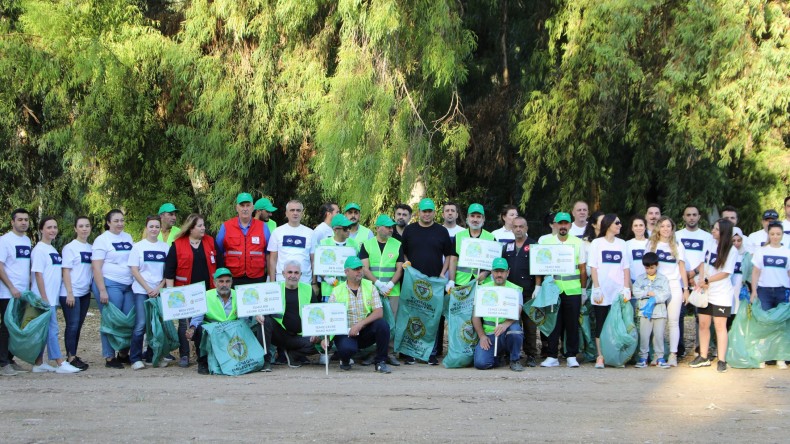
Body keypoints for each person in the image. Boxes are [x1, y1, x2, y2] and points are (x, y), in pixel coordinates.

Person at [400, 198, 457, 364]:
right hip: (413, 282)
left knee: (433, 317)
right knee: (413, 315)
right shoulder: (410, 230)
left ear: (434, 212)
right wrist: (407, 266)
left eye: (429, 211)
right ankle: (411, 352)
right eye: (424, 211)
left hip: (434, 282)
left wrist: (442, 274)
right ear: (419, 212)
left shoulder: (441, 231)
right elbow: (403, 252)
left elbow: (449, 255)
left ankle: (431, 353)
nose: (426, 214)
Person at [164, 213, 222, 368]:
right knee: (185, 323)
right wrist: (170, 293)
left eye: (204, 225)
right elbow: (169, 270)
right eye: (200, 225)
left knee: (203, 322)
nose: (204, 228)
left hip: (207, 290)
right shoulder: (178, 244)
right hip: (184, 292)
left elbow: (220, 264)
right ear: (191, 228)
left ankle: (202, 353)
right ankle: (184, 354)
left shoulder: (210, 241)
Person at [185, 268, 268, 374]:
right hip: (213, 330)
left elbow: (245, 320)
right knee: (199, 330)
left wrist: (254, 315)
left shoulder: (240, 295)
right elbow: (197, 319)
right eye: (221, 281)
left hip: (233, 330)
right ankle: (203, 362)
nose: (224, 284)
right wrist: (192, 329)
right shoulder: (205, 296)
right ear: (215, 282)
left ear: (231, 282)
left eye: (227, 281)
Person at [323, 256, 392, 373]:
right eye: (355, 269)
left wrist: (360, 325)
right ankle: (345, 359)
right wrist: (325, 338)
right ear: (346, 272)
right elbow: (330, 317)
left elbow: (379, 312)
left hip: (364, 331)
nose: (359, 271)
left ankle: (380, 362)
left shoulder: (370, 286)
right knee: (347, 349)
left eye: (360, 268)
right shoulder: (337, 291)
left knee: (382, 325)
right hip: (346, 332)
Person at [30, 217, 80, 374]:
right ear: (41, 230)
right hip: (43, 298)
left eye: (55, 227)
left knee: (45, 331)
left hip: (52, 297)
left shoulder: (51, 249)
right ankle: (59, 362)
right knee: (53, 329)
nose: (53, 230)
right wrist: (44, 297)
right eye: (49, 227)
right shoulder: (39, 250)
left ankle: (38, 363)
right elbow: (38, 274)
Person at [537, 212, 587, 368]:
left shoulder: (578, 243)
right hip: (554, 290)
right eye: (560, 223)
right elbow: (540, 265)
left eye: (566, 223)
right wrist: (538, 286)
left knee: (572, 324)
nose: (563, 226)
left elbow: (583, 269)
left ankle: (571, 355)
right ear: (555, 225)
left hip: (573, 290)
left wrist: (584, 290)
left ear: (570, 225)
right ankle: (552, 356)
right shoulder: (547, 242)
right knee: (553, 324)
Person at [689, 219, 737, 373]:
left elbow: (725, 273)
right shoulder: (709, 243)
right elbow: (703, 262)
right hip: (706, 290)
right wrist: (702, 280)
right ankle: (703, 356)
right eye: (713, 228)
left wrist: (708, 280)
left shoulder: (732, 250)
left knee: (720, 326)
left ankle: (722, 359)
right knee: (703, 324)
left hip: (721, 293)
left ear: (723, 232)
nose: (713, 231)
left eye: (716, 229)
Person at [92, 209, 135, 369]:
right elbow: (96, 267)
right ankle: (109, 357)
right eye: (116, 221)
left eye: (122, 220)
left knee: (128, 320)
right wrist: (102, 290)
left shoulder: (128, 237)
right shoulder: (101, 240)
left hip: (128, 285)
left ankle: (123, 353)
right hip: (110, 284)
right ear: (108, 222)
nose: (120, 224)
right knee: (111, 321)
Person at [588, 214, 631, 368]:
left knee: (618, 323)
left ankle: (616, 354)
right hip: (602, 291)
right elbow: (593, 267)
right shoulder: (597, 243)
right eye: (617, 223)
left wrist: (626, 288)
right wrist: (597, 287)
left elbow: (626, 267)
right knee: (601, 323)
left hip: (618, 291)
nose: (620, 225)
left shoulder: (622, 244)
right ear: (608, 225)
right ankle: (601, 355)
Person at [360, 215, 404, 366]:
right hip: (372, 289)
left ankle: (389, 353)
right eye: (387, 227)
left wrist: (390, 284)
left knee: (392, 323)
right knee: (375, 322)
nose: (391, 229)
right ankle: (375, 353)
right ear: (378, 228)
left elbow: (400, 268)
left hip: (393, 291)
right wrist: (378, 283)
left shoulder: (397, 244)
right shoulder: (367, 245)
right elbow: (364, 268)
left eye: (392, 227)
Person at [646, 216, 689, 367]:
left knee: (673, 321)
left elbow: (682, 267)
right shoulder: (652, 244)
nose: (665, 229)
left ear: (672, 229)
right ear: (658, 228)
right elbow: (646, 266)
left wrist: (686, 289)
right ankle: (657, 355)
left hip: (674, 285)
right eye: (663, 226)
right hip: (657, 286)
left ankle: (673, 354)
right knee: (657, 321)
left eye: (668, 226)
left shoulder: (677, 245)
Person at [128, 216, 168, 370]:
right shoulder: (138, 247)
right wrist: (147, 288)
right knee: (141, 324)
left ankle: (153, 355)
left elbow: (168, 271)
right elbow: (134, 269)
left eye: (157, 226)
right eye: (151, 226)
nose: (154, 229)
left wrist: (159, 287)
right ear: (146, 228)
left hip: (159, 291)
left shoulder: (165, 247)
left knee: (156, 325)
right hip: (141, 291)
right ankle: (135, 358)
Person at [472, 258, 525, 372]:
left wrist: (505, 324)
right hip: (490, 335)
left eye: (502, 271)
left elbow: (518, 311)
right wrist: (482, 336)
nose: (499, 274)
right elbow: (475, 316)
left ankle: (514, 359)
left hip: (506, 333)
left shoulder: (515, 289)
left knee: (515, 330)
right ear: (491, 272)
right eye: (496, 271)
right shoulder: (483, 289)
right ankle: (499, 358)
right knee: (481, 363)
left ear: (508, 272)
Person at [750, 222, 790, 369]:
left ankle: (780, 357)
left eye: (778, 234)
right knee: (764, 323)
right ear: (769, 234)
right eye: (772, 234)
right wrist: (754, 291)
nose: (775, 237)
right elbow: (755, 272)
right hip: (764, 291)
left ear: (782, 235)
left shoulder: (787, 252)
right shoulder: (761, 251)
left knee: (781, 324)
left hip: (782, 291)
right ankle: (762, 356)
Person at [676, 205, 713, 358]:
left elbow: (708, 259)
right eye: (688, 215)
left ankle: (701, 349)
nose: (691, 217)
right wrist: (685, 275)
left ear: (699, 217)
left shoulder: (707, 237)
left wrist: (694, 273)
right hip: (680, 280)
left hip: (700, 280)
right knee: (679, 314)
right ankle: (679, 348)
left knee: (701, 315)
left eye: (694, 215)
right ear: (684, 217)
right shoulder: (676, 235)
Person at [502, 216, 539, 367]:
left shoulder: (534, 245)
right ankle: (511, 354)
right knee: (512, 325)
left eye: (521, 226)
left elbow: (538, 267)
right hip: (512, 294)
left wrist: (538, 286)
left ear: (526, 228)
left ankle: (531, 355)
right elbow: (503, 269)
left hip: (529, 292)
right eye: (515, 226)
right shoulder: (507, 247)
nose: (518, 229)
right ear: (511, 228)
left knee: (530, 326)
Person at [0, 208, 32, 376]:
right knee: (6, 326)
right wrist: (11, 287)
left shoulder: (27, 241)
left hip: (23, 292)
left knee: (17, 327)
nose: (23, 222)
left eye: (26, 219)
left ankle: (9, 359)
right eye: (20, 219)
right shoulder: (4, 241)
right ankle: (2, 363)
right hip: (7, 292)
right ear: (12, 222)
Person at [270, 261, 320, 367]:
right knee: (264, 321)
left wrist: (315, 333)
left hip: (299, 336)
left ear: (300, 275)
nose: (293, 276)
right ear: (283, 274)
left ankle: (292, 355)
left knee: (319, 342)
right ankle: (265, 360)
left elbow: (316, 313)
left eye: (296, 273)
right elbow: (264, 309)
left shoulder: (308, 289)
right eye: (290, 272)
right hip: (280, 335)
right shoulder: (274, 289)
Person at [59, 216, 93, 371]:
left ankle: (73, 354)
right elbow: (65, 271)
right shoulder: (70, 247)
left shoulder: (91, 248)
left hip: (85, 293)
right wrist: (70, 293)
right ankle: (70, 357)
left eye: (87, 226)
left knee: (78, 326)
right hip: (71, 293)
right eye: (81, 226)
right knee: (72, 325)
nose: (84, 229)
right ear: (75, 229)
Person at [216, 193, 268, 286]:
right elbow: (218, 251)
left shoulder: (263, 227)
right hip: (232, 278)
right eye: (242, 205)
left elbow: (269, 252)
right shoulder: (226, 226)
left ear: (253, 208)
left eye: (248, 205)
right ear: (237, 208)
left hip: (257, 277)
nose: (245, 209)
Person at [632, 252, 671, 368]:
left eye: (652, 268)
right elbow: (636, 291)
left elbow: (666, 293)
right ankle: (643, 357)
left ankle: (660, 357)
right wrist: (648, 293)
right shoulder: (640, 279)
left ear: (657, 265)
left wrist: (655, 298)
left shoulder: (663, 279)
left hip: (659, 312)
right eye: (647, 268)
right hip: (645, 312)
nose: (649, 270)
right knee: (644, 335)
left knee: (658, 335)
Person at [268, 200, 315, 285]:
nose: (295, 213)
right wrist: (272, 282)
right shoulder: (277, 232)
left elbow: (313, 260)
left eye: (298, 210)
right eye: (292, 210)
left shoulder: (311, 233)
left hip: (304, 281)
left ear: (302, 213)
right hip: (282, 281)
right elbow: (272, 259)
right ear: (286, 213)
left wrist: (314, 283)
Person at [316, 214, 359, 302]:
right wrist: (326, 278)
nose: (348, 230)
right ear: (335, 230)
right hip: (329, 290)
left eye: (349, 227)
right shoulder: (324, 243)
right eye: (345, 228)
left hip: (348, 290)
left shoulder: (354, 244)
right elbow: (317, 265)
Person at [451, 203, 495, 285]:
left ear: (483, 218)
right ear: (467, 217)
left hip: (483, 283)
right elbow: (453, 260)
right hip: (461, 281)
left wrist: (486, 273)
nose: (475, 219)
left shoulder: (491, 238)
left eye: (478, 216)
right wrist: (451, 281)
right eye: (472, 216)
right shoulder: (458, 236)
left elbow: (495, 263)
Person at [626, 216, 649, 284]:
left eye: (641, 225)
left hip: (650, 281)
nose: (638, 228)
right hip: (632, 280)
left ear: (645, 227)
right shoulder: (627, 244)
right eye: (635, 226)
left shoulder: (652, 243)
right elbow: (625, 265)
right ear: (632, 228)